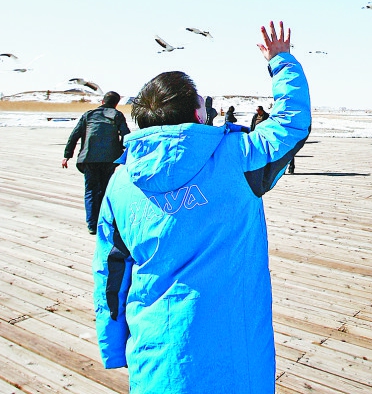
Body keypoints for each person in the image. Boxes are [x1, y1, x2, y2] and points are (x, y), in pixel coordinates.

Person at [92, 22, 310, 394]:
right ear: (198, 114)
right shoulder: (236, 158)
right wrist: (281, 62)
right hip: (235, 358)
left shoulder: (120, 182)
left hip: (158, 357)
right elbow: (292, 124)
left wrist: (113, 346)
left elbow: (110, 275)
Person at [62, 91, 130, 234]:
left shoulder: (88, 115)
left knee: (91, 190)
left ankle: (92, 225)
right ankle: (104, 221)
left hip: (89, 158)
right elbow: (126, 135)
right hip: (109, 159)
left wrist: (67, 155)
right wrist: (127, 152)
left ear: (102, 101)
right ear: (116, 103)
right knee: (105, 189)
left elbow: (74, 135)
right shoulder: (117, 115)